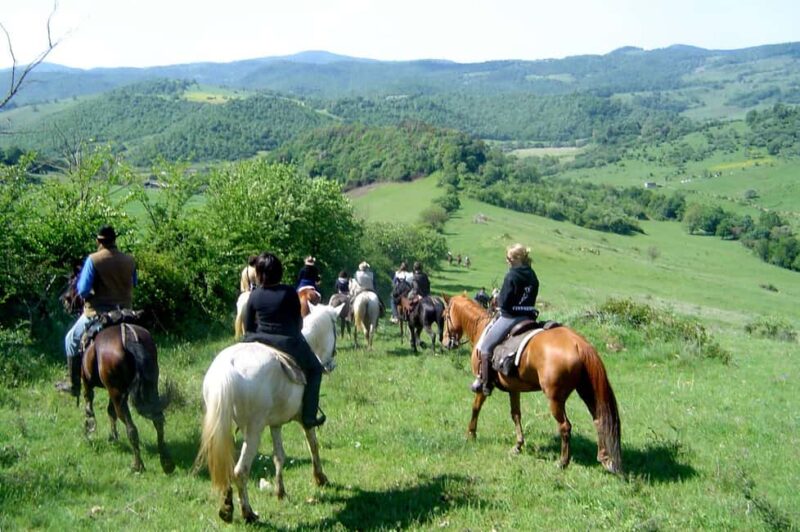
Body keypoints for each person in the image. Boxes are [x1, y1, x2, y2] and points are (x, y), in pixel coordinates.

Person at [242, 252, 326, 429]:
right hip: (286, 342)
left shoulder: (254, 295)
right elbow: (298, 322)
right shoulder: (288, 292)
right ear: (278, 272)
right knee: (316, 369)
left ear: (258, 273)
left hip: (257, 340)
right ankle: (309, 416)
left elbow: (248, 325)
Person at [57, 225, 137, 397]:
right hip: (126, 311)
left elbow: (83, 290)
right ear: (115, 240)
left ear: (98, 241)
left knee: (70, 339)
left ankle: (73, 384)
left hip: (98, 312)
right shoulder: (129, 260)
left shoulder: (94, 260)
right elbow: (134, 283)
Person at [471, 243, 539, 396]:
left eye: (508, 258)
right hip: (529, 315)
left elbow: (504, 302)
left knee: (485, 347)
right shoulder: (532, 274)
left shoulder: (512, 275)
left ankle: (486, 383)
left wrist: (497, 297)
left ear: (517, 258)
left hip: (511, 317)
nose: (507, 261)